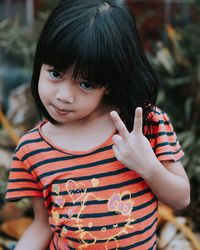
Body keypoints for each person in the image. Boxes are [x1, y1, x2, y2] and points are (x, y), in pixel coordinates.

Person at [5, 0, 190, 249]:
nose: (64, 95)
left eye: (86, 84)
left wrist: (149, 167)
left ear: (110, 83)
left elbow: (181, 199)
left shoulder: (144, 125)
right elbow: (42, 224)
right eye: (56, 74)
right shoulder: (32, 149)